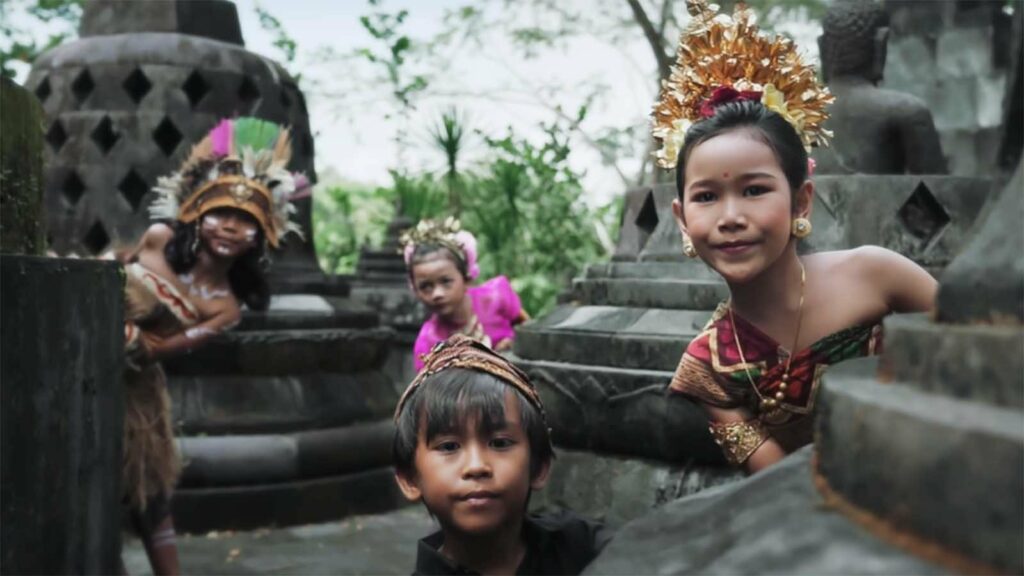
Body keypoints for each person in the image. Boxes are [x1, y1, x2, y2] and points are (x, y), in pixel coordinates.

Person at [652, 0, 936, 474]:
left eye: (755, 190)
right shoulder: (708, 366)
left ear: (801, 201)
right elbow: (777, 481)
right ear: (682, 219)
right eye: (706, 197)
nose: (730, 217)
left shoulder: (878, 275)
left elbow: (986, 359)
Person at [120, 117, 303, 574]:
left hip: (136, 391)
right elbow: (108, 276)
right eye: (221, 214)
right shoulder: (158, 239)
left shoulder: (226, 307)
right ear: (197, 214)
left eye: (246, 221)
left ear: (262, 236)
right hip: (84, 356)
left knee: (147, 488)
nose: (230, 227)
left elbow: (160, 348)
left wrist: (133, 341)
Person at [393, 335, 610, 575]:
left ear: (539, 466)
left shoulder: (581, 545)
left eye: (499, 443)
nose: (476, 466)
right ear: (410, 478)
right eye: (449, 447)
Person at [402, 218, 529, 371]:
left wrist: (514, 345)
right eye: (425, 287)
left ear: (466, 278)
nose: (437, 294)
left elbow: (529, 329)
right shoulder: (428, 342)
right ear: (415, 290)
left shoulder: (495, 297)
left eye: (446, 281)